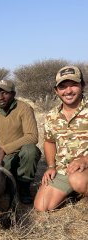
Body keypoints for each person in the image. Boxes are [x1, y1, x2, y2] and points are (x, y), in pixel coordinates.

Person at [34, 65, 88, 212]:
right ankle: (75, 192)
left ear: (82, 86)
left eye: (74, 85)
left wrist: (85, 160)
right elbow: (49, 142)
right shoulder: (51, 116)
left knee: (78, 180)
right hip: (65, 169)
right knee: (42, 206)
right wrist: (51, 166)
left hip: (85, 168)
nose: (68, 91)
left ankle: (80, 188)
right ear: (56, 91)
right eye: (63, 87)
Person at [0, 79, 41, 204]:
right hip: (6, 155)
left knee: (30, 150)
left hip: (21, 152)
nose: (1, 97)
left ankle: (25, 187)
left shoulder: (24, 108)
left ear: (13, 94)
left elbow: (32, 136)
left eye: (5, 93)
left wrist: (4, 149)